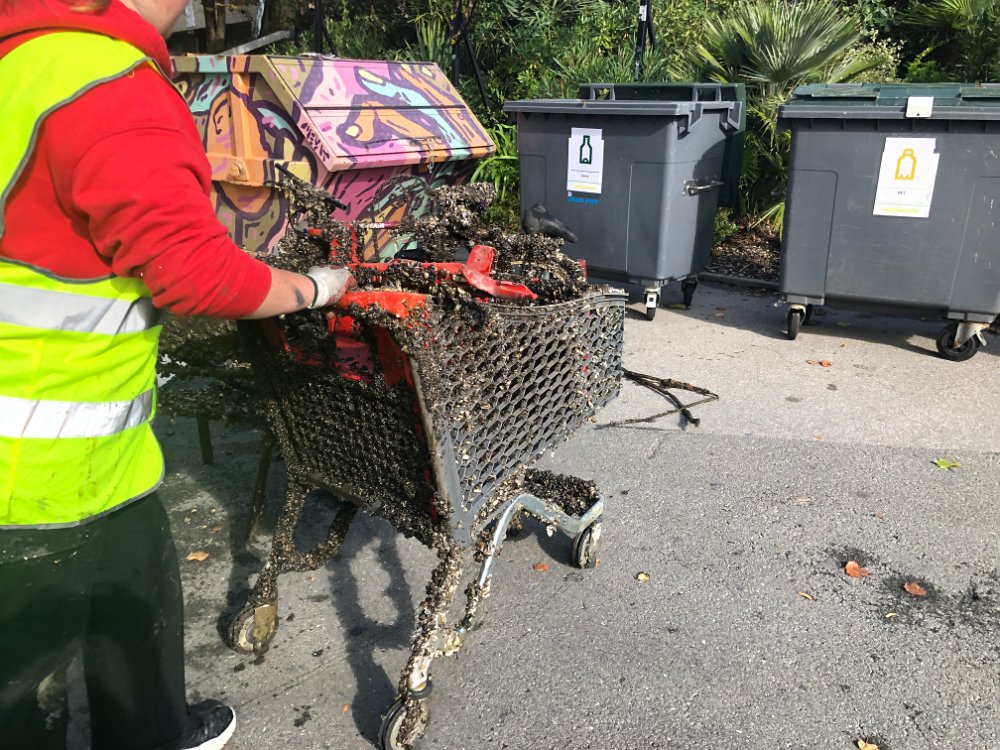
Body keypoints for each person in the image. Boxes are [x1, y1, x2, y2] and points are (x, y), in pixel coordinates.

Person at [0, 1, 352, 748]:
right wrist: (315, 288)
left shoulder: (22, 60)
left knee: (138, 596)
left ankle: (158, 730)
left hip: (101, 465)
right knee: (18, 689)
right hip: (39, 476)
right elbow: (194, 274)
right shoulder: (106, 83)